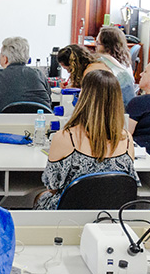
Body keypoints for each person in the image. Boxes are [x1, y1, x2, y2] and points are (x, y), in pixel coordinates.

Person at [35, 70, 138, 210]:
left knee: (39, 197)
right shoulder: (126, 139)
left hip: (68, 217)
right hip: (110, 216)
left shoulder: (66, 137)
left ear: (83, 97)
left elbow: (52, 186)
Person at [0, 36, 51, 113]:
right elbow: (49, 99)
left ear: (5, 59)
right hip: (40, 122)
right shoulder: (39, 74)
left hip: (1, 122)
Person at [96, 26, 136, 105]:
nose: (95, 45)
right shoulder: (124, 60)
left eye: (98, 43)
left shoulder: (104, 63)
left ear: (107, 46)